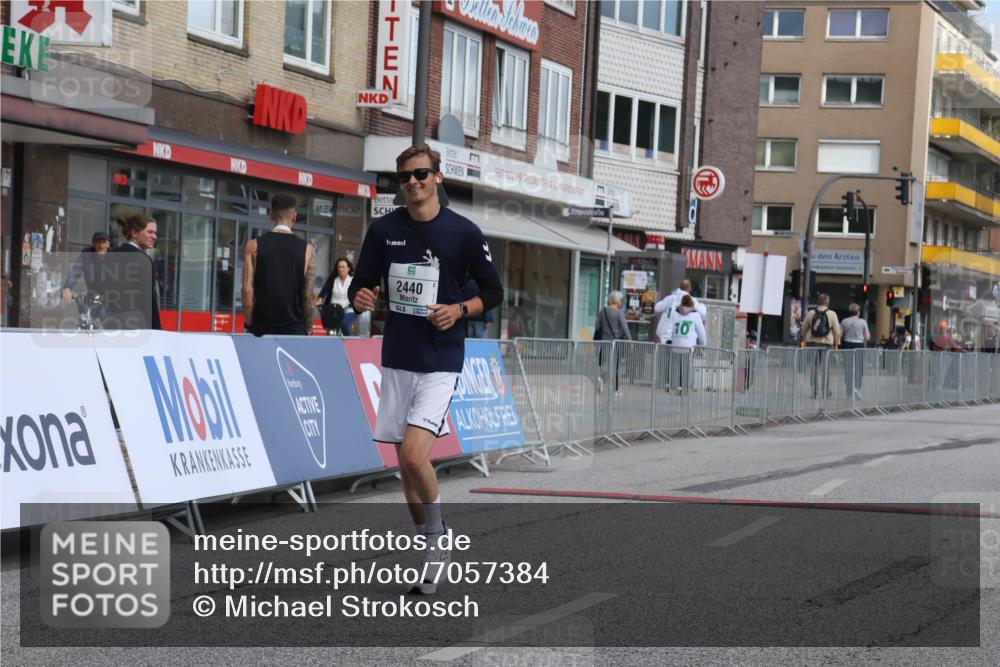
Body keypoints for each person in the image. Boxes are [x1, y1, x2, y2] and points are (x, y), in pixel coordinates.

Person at [349, 144, 503, 595]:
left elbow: (493, 292)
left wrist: (459, 310)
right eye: (405, 177)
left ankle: (438, 542)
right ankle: (430, 542)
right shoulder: (383, 230)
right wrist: (361, 296)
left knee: (417, 456)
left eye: (420, 174)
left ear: (438, 177)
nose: (412, 182)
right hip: (398, 355)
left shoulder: (464, 232)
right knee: (406, 469)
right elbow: (362, 283)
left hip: (442, 357)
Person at [242, 194, 316, 336]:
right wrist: (308, 326)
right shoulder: (308, 250)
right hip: (295, 330)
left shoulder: (253, 246)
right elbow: (309, 295)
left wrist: (250, 323)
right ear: (294, 216)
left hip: (262, 328)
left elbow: (247, 289)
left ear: (270, 214)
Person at [102, 213, 161, 330]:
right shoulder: (143, 260)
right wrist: (157, 329)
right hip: (137, 324)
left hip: (110, 321)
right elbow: (148, 299)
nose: (154, 236)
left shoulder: (111, 255)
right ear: (134, 233)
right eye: (150, 232)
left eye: (155, 233)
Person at [801, 293, 841, 399]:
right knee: (826, 368)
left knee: (814, 368)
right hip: (827, 345)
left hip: (812, 343)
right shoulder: (832, 314)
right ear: (827, 302)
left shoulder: (811, 313)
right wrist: (836, 345)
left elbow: (803, 329)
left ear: (818, 301)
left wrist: (803, 339)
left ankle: (814, 392)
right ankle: (825, 391)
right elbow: (837, 331)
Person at [667, 294, 707, 393]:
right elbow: (701, 332)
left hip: (676, 344)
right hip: (688, 346)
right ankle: (685, 387)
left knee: (676, 366)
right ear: (691, 303)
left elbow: (669, 327)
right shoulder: (695, 314)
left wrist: (668, 339)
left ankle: (674, 385)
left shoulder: (675, 313)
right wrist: (703, 343)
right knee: (687, 367)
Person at [594, 290, 631, 393]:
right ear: (616, 300)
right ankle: (606, 381)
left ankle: (606, 381)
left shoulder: (603, 311)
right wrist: (630, 341)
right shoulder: (619, 313)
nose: (621, 302)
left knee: (609, 364)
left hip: (604, 343)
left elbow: (597, 326)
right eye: (621, 300)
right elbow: (625, 328)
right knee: (615, 366)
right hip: (615, 343)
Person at [653, 278, 707, 345]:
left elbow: (657, 308)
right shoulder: (691, 300)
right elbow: (702, 312)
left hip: (663, 334)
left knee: (663, 354)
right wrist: (702, 305)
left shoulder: (670, 298)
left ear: (680, 286)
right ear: (690, 289)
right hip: (679, 338)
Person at [318, 257, 357, 335]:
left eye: (343, 267)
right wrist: (319, 301)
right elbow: (323, 292)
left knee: (345, 325)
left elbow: (357, 294)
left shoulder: (353, 281)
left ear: (348, 268)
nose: (341, 269)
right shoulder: (333, 280)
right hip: (334, 310)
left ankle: (350, 343)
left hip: (349, 310)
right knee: (330, 330)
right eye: (339, 267)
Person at [839, 303, 870, 398]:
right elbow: (867, 337)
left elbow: (840, 335)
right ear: (858, 312)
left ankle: (849, 390)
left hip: (847, 344)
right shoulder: (863, 322)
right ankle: (857, 388)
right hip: (858, 344)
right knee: (859, 368)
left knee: (848, 368)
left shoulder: (844, 321)